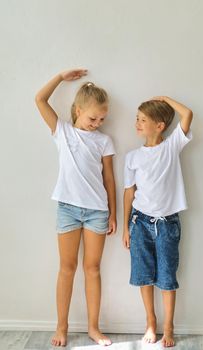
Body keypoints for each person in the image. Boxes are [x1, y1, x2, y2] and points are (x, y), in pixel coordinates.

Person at [35, 69, 117, 347]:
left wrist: (113, 214)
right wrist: (59, 77)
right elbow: (40, 100)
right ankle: (62, 327)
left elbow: (109, 179)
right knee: (66, 268)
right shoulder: (63, 133)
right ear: (78, 110)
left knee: (92, 269)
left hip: (97, 212)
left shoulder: (104, 141)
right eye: (93, 117)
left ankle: (94, 328)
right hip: (68, 209)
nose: (97, 123)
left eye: (102, 119)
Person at [123, 96, 193, 347]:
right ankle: (150, 321)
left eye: (143, 120)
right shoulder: (132, 157)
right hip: (139, 222)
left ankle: (168, 327)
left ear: (160, 125)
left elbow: (187, 115)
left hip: (167, 223)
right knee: (144, 275)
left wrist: (164, 99)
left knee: (166, 276)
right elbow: (129, 192)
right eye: (137, 118)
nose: (137, 123)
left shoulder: (172, 146)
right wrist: (126, 228)